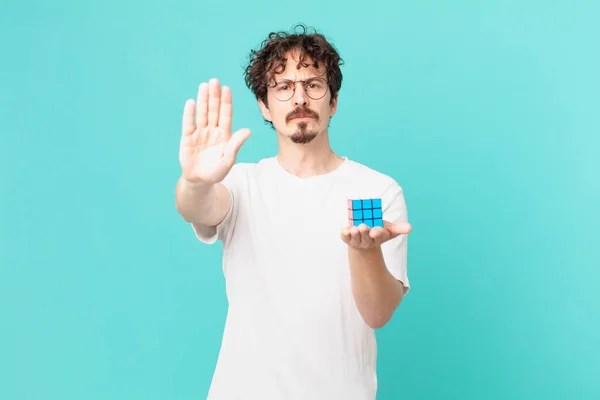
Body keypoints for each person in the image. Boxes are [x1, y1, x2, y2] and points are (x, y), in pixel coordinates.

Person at [175, 24, 412, 400]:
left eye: (313, 84)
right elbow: (196, 207)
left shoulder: (377, 191)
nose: (299, 97)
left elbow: (378, 314)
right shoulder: (240, 184)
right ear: (264, 106)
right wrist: (195, 181)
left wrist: (366, 253)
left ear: (332, 101)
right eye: (283, 87)